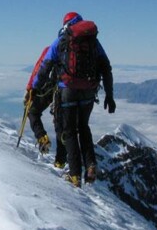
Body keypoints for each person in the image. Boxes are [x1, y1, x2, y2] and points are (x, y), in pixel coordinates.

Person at [31, 12, 114, 187]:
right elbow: (106, 67)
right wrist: (109, 95)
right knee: (83, 128)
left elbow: (45, 66)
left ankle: (75, 175)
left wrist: (36, 88)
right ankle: (90, 164)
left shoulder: (62, 39)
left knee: (69, 131)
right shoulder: (93, 42)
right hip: (89, 92)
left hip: (67, 91)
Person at [25, 46, 67, 169]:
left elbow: (39, 68)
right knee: (62, 125)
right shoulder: (89, 48)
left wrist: (30, 88)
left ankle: (42, 137)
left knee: (33, 111)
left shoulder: (54, 47)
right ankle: (61, 161)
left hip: (54, 88)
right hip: (78, 93)